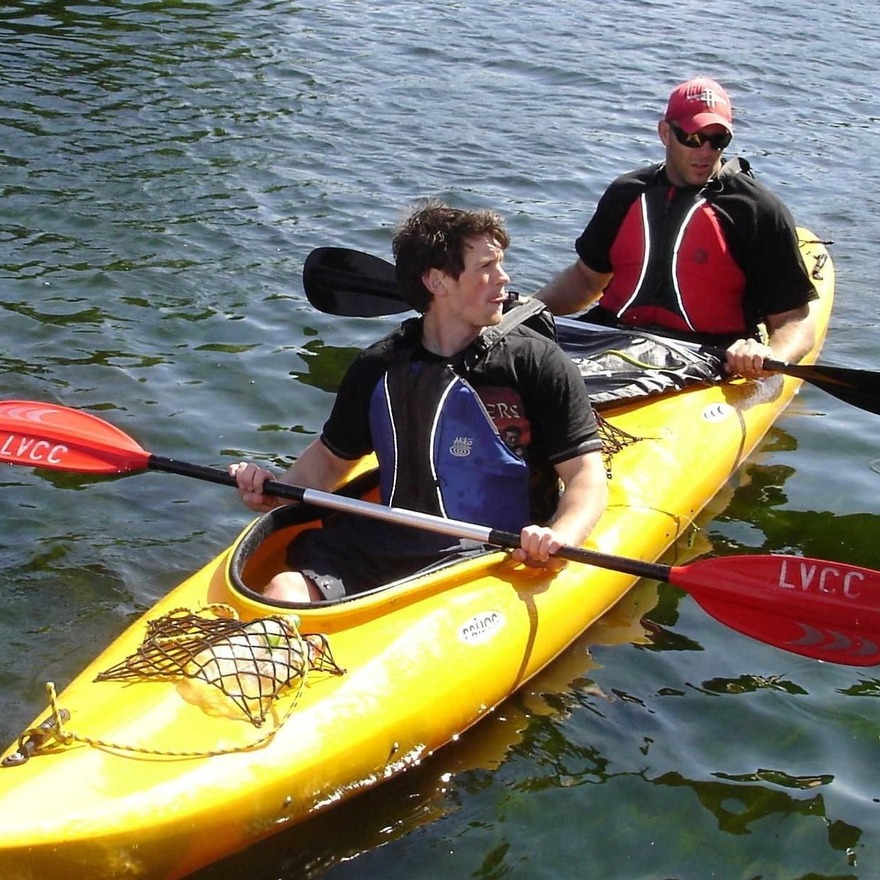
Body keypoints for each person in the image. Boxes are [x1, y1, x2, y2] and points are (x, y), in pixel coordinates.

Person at [230, 201, 609, 603]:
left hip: (492, 552)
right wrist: (272, 490)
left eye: (500, 264)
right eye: (486, 267)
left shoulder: (536, 362)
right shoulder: (379, 366)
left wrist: (558, 537)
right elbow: (329, 460)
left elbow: (586, 477)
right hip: (386, 538)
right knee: (283, 590)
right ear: (437, 282)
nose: (504, 278)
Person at [537, 76, 818, 380]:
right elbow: (585, 280)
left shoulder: (757, 211)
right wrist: (529, 310)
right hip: (608, 339)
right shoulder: (627, 193)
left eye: (718, 140)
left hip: (708, 357)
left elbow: (796, 321)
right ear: (665, 133)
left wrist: (769, 355)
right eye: (693, 139)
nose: (706, 152)